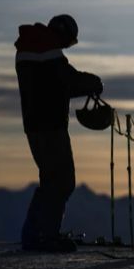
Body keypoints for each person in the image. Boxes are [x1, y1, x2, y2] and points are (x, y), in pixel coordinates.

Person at [15, 14, 103, 252]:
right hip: (50, 126)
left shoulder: (31, 49)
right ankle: (45, 236)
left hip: (35, 125)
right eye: (68, 42)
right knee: (62, 181)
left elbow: (54, 87)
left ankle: (35, 234)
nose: (66, 47)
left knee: (50, 179)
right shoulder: (47, 50)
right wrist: (93, 82)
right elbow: (66, 80)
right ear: (62, 33)